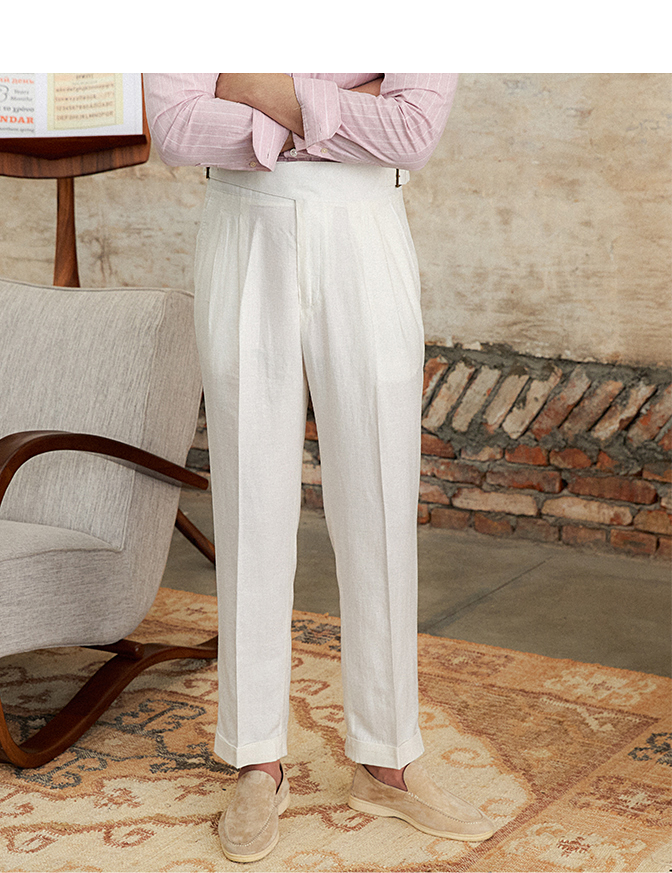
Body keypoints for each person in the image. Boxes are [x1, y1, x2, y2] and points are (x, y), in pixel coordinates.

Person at [144, 73, 495, 863]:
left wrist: (248, 86)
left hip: (365, 228)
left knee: (378, 502)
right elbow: (176, 128)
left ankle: (388, 757)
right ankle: (255, 758)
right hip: (244, 227)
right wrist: (340, 103)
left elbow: (412, 134)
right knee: (250, 504)